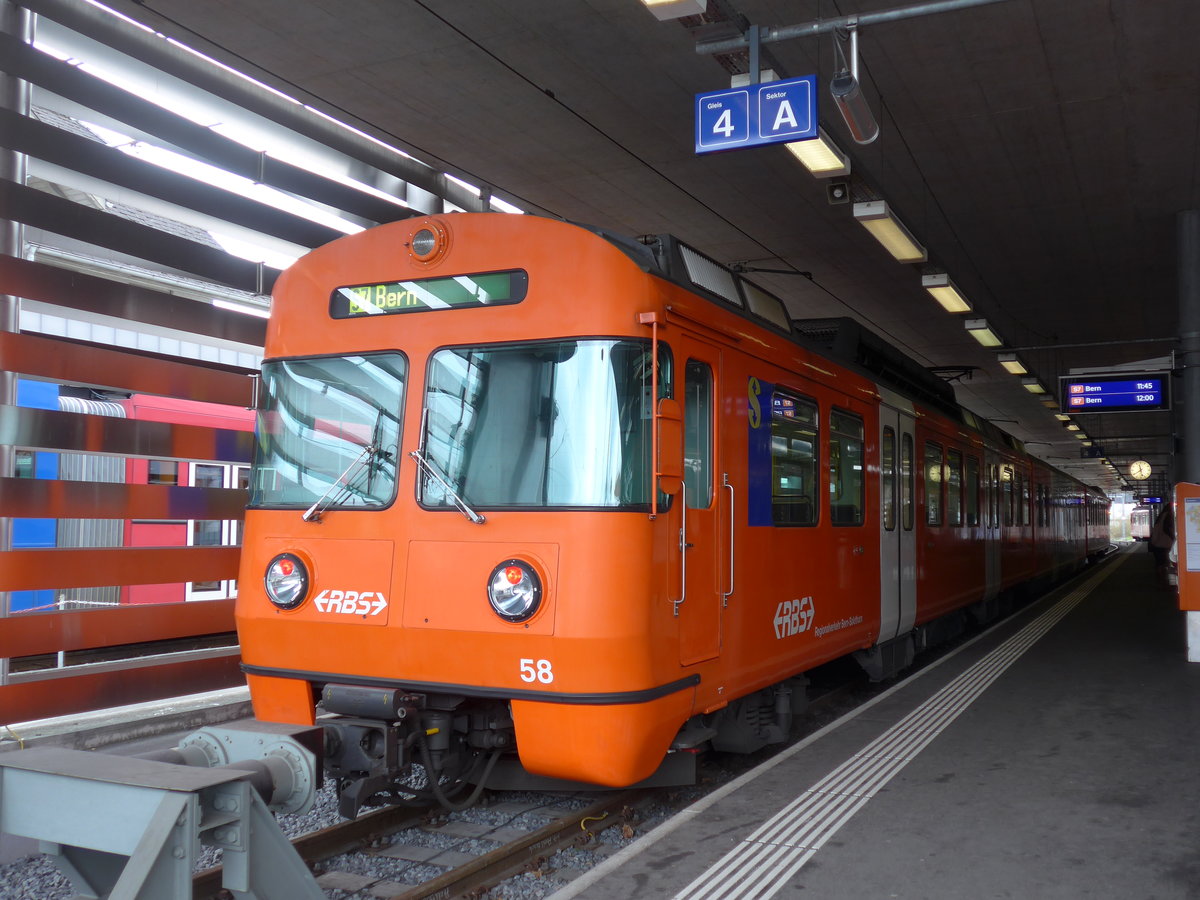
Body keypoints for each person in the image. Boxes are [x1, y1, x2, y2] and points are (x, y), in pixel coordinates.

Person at [1149, 505, 1176, 587]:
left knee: (1159, 563)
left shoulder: (1160, 517)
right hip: (1166, 544)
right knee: (1166, 562)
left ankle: (1160, 580)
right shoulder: (1169, 517)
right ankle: (1165, 581)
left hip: (1157, 544)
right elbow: (1170, 530)